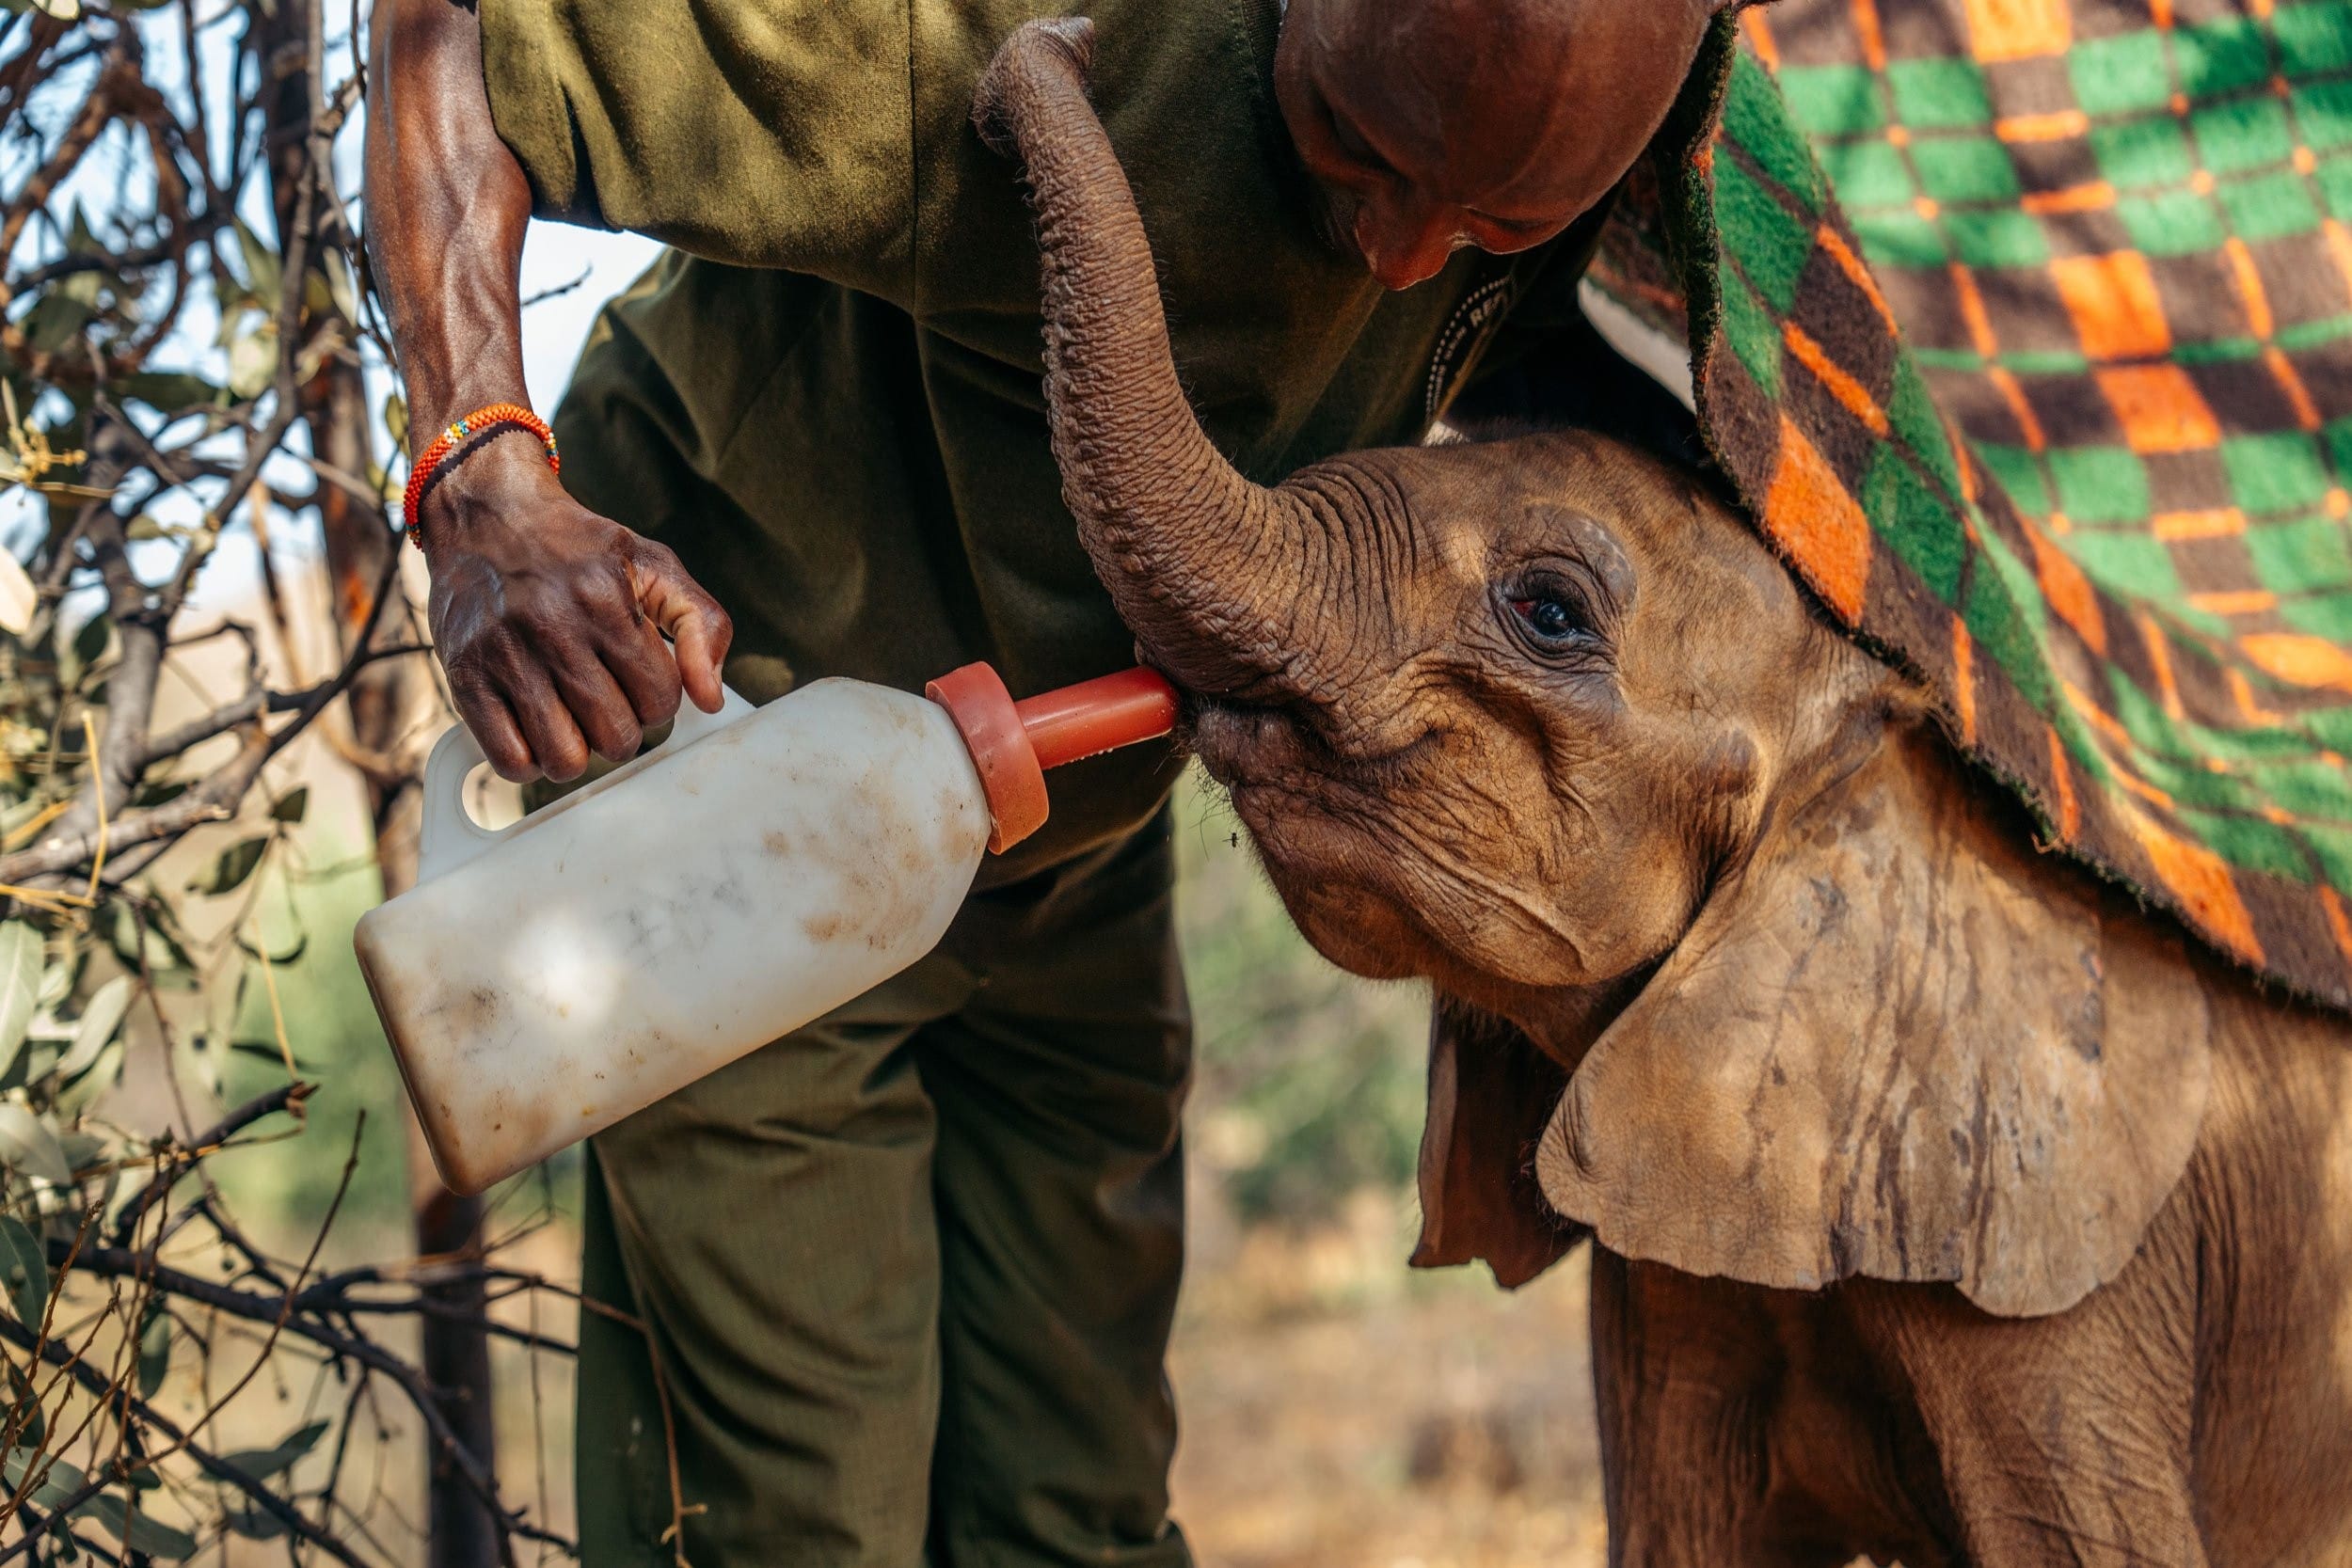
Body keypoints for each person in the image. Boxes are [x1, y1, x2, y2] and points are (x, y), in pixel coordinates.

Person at [364, 1, 1722, 1561]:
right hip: (733, 798)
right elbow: (451, 40)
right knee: (795, 1519)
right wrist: (478, 478)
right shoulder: (979, 41)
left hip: (1060, 803)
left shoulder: (1630, 134)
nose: (1407, 254)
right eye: (1357, 149)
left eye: (1497, 224)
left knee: (1076, 1508)